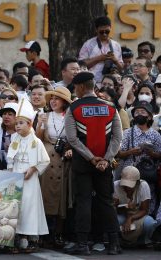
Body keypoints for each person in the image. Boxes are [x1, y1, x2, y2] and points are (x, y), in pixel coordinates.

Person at [64, 72, 123, 255]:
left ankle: (83, 244)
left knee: (83, 201)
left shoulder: (73, 108)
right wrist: (105, 159)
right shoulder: (110, 108)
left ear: (81, 87)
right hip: (105, 164)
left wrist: (90, 158)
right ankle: (113, 244)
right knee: (106, 202)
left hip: (82, 164)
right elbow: (117, 138)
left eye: (75, 87)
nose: (75, 90)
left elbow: (72, 140)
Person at [7, 98, 50, 252]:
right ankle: (16, 239)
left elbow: (44, 160)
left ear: (30, 124)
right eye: (16, 123)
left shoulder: (36, 142)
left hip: (30, 179)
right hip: (17, 177)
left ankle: (32, 239)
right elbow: (10, 159)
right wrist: (11, 172)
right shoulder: (14, 140)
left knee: (30, 207)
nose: (17, 126)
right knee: (15, 207)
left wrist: (32, 169)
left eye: (21, 123)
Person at [35, 87, 73, 247]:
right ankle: (43, 234)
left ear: (64, 102)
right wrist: (41, 125)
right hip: (46, 161)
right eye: (52, 98)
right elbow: (37, 138)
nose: (53, 101)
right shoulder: (44, 115)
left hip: (64, 160)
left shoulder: (70, 117)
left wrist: (71, 149)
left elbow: (74, 137)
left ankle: (58, 234)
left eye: (57, 98)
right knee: (45, 197)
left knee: (61, 199)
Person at [117, 101, 161, 217]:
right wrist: (131, 152)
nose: (139, 114)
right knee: (129, 196)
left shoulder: (156, 135)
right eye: (136, 112)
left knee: (147, 198)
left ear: (150, 116)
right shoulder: (127, 133)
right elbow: (119, 153)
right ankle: (128, 218)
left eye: (143, 112)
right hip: (129, 173)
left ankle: (148, 221)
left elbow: (159, 155)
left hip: (148, 174)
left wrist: (152, 153)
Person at [114, 166, 159, 247]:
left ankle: (143, 240)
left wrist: (130, 218)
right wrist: (118, 206)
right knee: (114, 220)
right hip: (122, 215)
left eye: (129, 185)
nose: (126, 188)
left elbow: (145, 210)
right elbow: (113, 209)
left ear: (137, 182)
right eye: (124, 184)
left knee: (149, 223)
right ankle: (120, 240)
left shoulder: (143, 186)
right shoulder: (116, 185)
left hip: (138, 215)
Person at [78, 16, 123, 83]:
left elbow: (121, 69)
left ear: (110, 28)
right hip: (92, 83)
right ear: (96, 30)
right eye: (101, 32)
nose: (104, 34)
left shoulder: (116, 45)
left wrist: (115, 60)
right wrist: (98, 59)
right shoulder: (88, 44)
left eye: (107, 31)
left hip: (111, 84)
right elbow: (80, 65)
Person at [0, 103, 18, 169]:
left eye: (10, 114)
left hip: (18, 171)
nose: (6, 116)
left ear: (17, 117)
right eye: (4, 114)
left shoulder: (22, 133)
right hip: (0, 170)